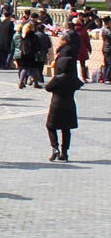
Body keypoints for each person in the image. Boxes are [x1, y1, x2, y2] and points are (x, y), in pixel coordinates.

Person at [44, 32, 81, 161]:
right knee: (66, 129)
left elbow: (48, 87)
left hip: (56, 104)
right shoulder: (72, 79)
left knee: (51, 126)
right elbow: (79, 84)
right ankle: (64, 152)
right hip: (70, 104)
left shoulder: (58, 79)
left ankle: (55, 148)